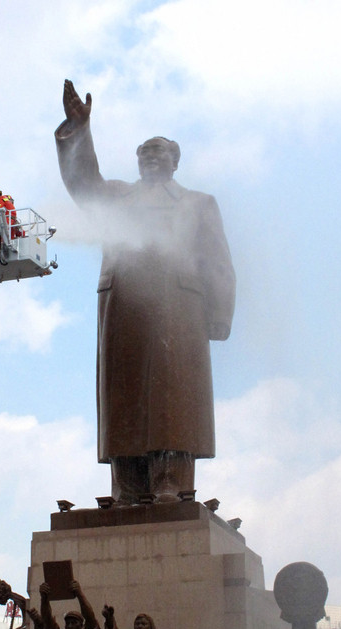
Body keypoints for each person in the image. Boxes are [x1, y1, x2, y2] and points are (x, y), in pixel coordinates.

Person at [55, 79, 236, 504]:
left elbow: (218, 260)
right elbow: (83, 184)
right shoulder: (116, 196)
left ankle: (169, 482)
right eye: (144, 153)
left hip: (179, 305)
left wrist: (221, 314)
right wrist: (78, 129)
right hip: (125, 306)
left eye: (159, 152)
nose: (150, 158)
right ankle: (128, 487)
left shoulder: (198, 203)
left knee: (173, 399)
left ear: (175, 162)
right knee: (125, 396)